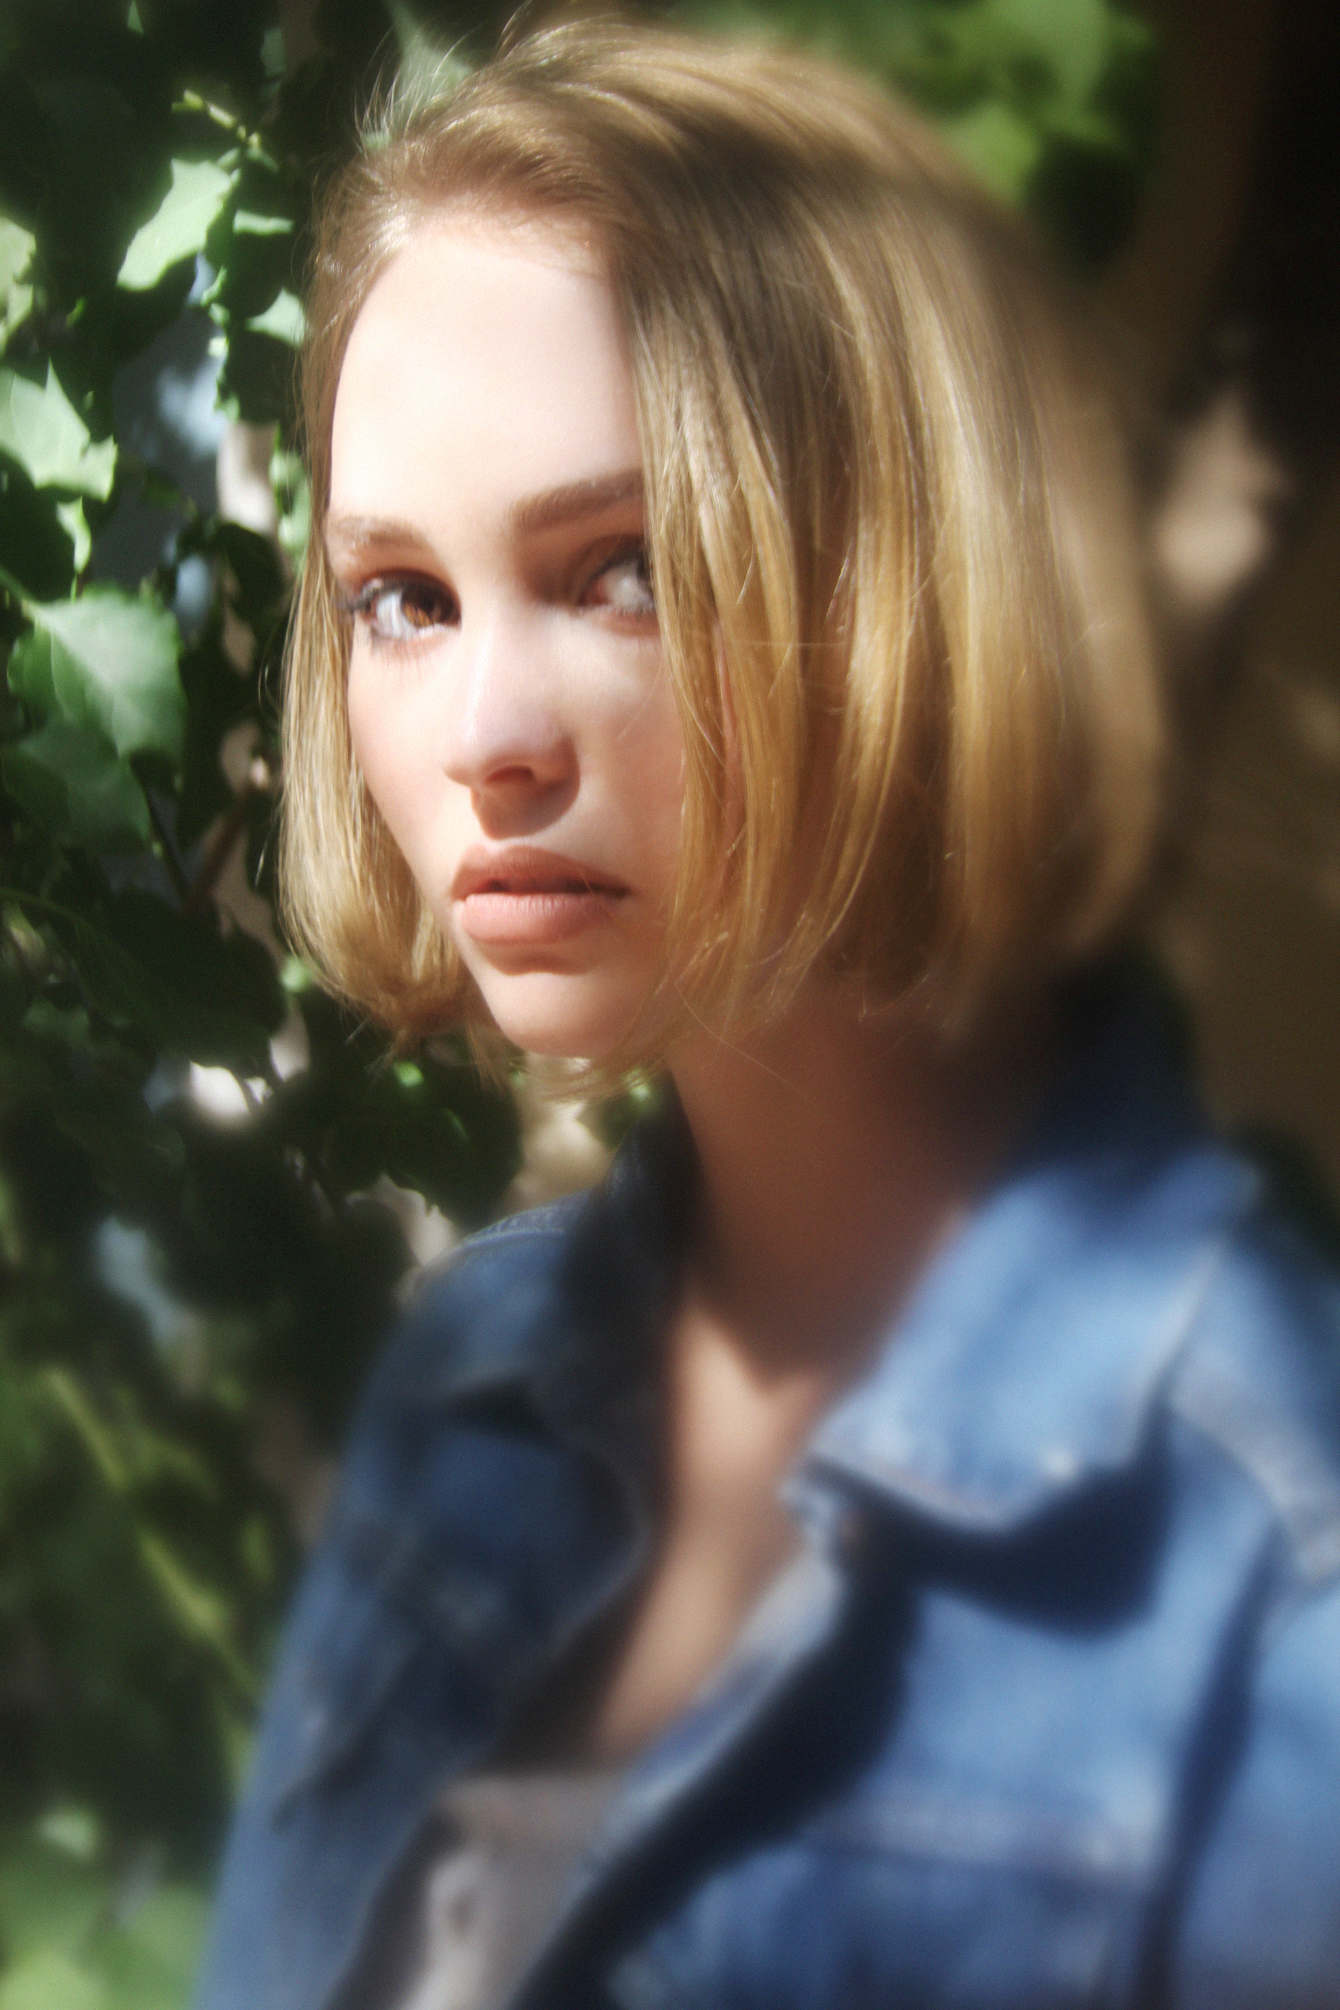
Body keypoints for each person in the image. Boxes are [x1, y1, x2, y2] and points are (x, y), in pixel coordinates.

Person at [195, 18, 1340, 2010]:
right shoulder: (478, 1370)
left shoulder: (1254, 1543)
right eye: (403, 598)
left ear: (901, 577)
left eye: (620, 570)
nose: (484, 737)